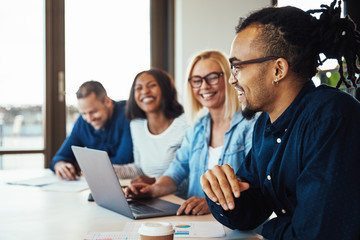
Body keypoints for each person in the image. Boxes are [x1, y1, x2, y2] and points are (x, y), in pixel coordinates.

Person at [200, 1, 360, 239]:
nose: (233, 80)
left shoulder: (331, 117)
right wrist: (220, 191)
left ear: (278, 70)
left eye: (237, 67)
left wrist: (269, 229)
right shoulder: (265, 124)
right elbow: (251, 211)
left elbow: (315, 234)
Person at [126, 50, 257, 216]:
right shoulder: (196, 129)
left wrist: (212, 203)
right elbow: (175, 173)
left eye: (212, 77)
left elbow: (255, 184)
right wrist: (151, 190)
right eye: (197, 80)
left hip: (235, 223)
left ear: (229, 78)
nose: (204, 86)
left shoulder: (251, 126)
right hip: (196, 221)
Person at [112, 69, 189, 188]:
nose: (145, 91)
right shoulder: (136, 125)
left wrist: (154, 181)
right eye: (138, 88)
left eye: (152, 85)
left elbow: (192, 178)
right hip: (151, 196)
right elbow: (140, 168)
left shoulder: (186, 123)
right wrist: (109, 169)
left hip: (178, 199)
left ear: (166, 90)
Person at [50, 80, 133, 180]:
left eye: (93, 112)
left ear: (107, 101)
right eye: (84, 113)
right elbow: (60, 157)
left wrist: (81, 165)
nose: (89, 119)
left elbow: (123, 161)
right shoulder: (82, 122)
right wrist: (60, 165)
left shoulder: (128, 114)